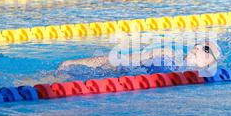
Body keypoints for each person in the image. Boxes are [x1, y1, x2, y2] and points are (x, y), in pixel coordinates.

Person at [58, 41, 221, 74]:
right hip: (108, 74)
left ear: (210, 62)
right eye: (197, 44)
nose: (197, 47)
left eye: (205, 48)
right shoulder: (167, 54)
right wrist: (74, 62)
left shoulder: (201, 78)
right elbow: (120, 59)